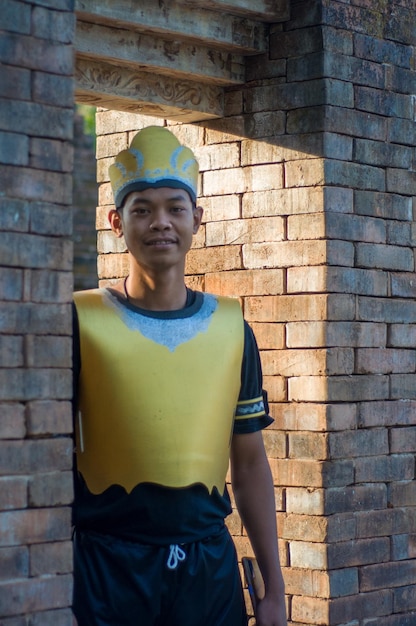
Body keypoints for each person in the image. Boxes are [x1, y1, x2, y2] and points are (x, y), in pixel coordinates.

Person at [72, 126, 286, 626]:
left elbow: (250, 462)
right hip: (106, 569)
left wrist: (274, 590)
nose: (160, 223)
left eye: (175, 207)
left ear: (197, 219)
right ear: (115, 221)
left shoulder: (232, 328)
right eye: (141, 209)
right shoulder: (80, 322)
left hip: (207, 571)